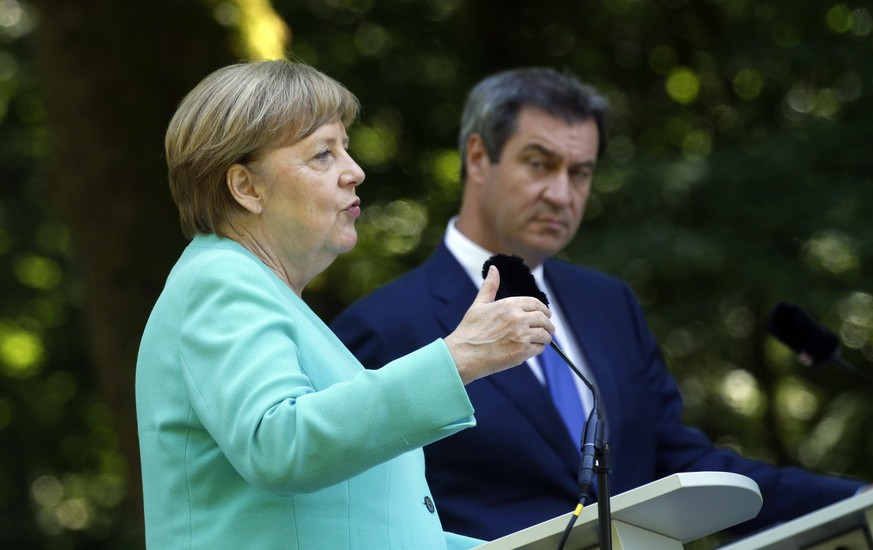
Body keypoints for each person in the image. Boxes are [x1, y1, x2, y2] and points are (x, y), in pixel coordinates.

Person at [331, 67, 866, 541]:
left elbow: (681, 462)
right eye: (539, 164)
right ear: (477, 156)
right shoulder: (380, 328)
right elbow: (361, 517)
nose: (562, 194)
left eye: (580, 172)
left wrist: (856, 502)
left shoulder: (609, 303)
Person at [134, 60, 556, 549]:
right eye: (322, 155)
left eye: (346, 150)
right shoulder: (220, 280)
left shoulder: (273, 299)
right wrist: (459, 358)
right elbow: (279, 443)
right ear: (246, 188)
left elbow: (373, 530)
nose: (355, 172)